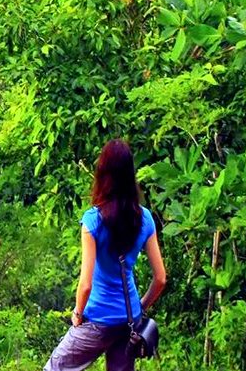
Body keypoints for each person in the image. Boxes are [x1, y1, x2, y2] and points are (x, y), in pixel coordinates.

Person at [44, 139, 167, 371]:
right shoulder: (145, 218)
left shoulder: (93, 220)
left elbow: (86, 285)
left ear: (103, 173)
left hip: (97, 320)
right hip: (129, 320)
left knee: (55, 368)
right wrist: (139, 308)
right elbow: (160, 277)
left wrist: (78, 314)